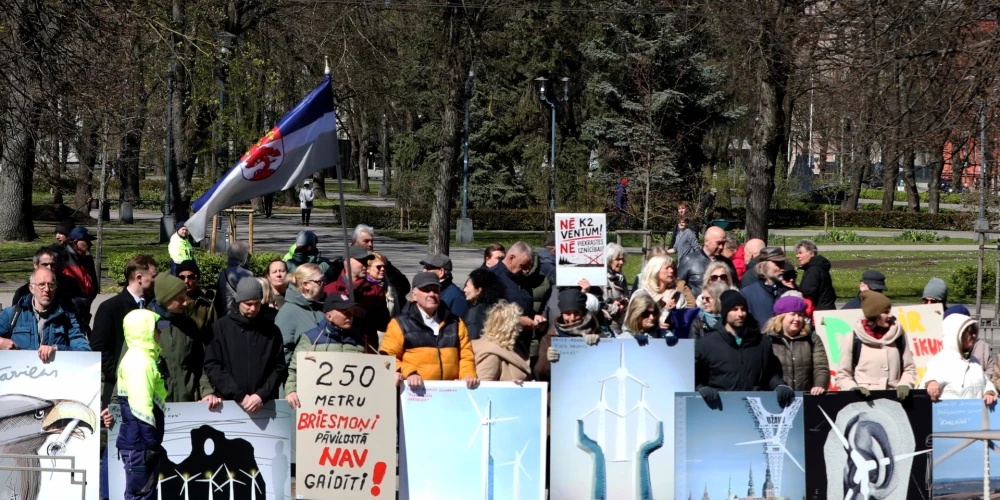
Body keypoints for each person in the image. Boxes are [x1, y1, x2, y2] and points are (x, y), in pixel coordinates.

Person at [694, 291, 794, 407]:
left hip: (756, 407)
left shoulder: (762, 342)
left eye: (743, 309)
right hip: (720, 408)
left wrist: (779, 385)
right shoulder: (706, 344)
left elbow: (771, 372)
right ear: (725, 312)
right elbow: (695, 376)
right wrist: (701, 388)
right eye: (735, 309)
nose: (740, 313)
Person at [380, 272, 479, 388]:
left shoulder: (455, 322)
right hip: (415, 394)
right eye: (426, 290)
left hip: (451, 394)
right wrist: (409, 373)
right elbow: (387, 359)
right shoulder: (399, 324)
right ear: (414, 295)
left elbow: (466, 355)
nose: (432, 294)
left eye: (435, 290)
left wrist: (467, 375)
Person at [205, 277, 288, 413]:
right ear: (238, 301)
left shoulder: (272, 330)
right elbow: (213, 366)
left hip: (264, 404)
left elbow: (278, 367)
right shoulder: (220, 328)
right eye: (248, 304)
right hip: (229, 405)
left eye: (257, 303)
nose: (253, 308)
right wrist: (240, 396)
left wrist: (261, 395)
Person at [115, 309, 168, 500]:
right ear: (145, 331)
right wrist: (152, 445)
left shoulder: (140, 358)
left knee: (139, 493)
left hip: (137, 442)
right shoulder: (141, 362)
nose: (160, 333)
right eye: (156, 329)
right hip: (140, 445)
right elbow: (141, 408)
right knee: (141, 495)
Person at [93, 255, 158, 408]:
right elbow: (99, 348)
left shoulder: (155, 306)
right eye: (154, 276)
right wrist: (120, 375)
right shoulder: (110, 308)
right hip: (120, 390)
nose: (156, 280)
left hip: (153, 388)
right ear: (139, 277)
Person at [285, 293, 368, 408]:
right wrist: (291, 390)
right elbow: (294, 369)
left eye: (351, 311)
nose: (350, 315)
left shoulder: (359, 340)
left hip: (351, 408)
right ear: (329, 316)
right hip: (319, 409)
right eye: (345, 312)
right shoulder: (311, 339)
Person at [149, 274, 217, 406]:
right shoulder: (143, 324)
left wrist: (207, 391)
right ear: (166, 299)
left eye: (184, 298)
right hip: (153, 407)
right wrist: (115, 403)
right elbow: (125, 370)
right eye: (179, 299)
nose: (185, 303)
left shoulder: (189, 326)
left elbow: (200, 364)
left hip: (185, 405)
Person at [834, 291, 916, 397]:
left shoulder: (898, 336)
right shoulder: (853, 338)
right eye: (886, 312)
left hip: (895, 400)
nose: (890, 315)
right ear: (874, 315)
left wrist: (905, 384)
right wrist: (853, 389)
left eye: (889, 311)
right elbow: (842, 375)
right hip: (865, 402)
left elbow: (909, 368)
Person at [0, 267, 90, 357]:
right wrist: (1, 342)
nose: (47, 289)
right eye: (42, 284)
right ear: (31, 288)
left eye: (51, 285)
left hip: (53, 370)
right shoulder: (12, 314)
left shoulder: (67, 317)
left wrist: (56, 349)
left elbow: (84, 351)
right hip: (20, 370)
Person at [921, 313, 997, 404]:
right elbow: (923, 388)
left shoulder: (974, 361)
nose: (974, 336)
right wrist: (930, 383)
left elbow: (986, 382)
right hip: (948, 416)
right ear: (955, 334)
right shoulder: (939, 361)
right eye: (969, 331)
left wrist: (990, 392)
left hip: (975, 416)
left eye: (975, 332)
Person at [533, 289, 605, 382]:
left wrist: (599, 345)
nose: (572, 318)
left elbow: (608, 367)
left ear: (583, 313)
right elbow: (540, 375)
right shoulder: (550, 338)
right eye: (567, 314)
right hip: (560, 390)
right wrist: (547, 360)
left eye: (576, 313)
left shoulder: (598, 334)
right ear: (561, 314)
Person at [762, 296, 829, 395]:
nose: (797, 319)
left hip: (806, 397)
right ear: (781, 317)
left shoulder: (812, 339)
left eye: (800, 315)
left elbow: (821, 366)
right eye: (792, 314)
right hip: (774, 397)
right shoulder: (767, 339)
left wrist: (820, 385)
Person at [13, 245, 88, 321]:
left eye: (52, 265)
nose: (49, 268)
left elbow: (84, 303)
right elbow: (15, 318)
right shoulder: (23, 292)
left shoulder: (69, 283)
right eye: (45, 265)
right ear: (35, 265)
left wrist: (67, 303)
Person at [276, 263, 326, 364]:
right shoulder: (288, 312)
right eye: (319, 281)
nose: (324, 284)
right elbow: (282, 352)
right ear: (306, 284)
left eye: (324, 280)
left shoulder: (324, 307)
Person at [472, 301, 532, 382]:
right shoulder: (490, 355)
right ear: (510, 326)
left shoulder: (517, 347)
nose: (520, 327)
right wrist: (507, 388)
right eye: (517, 323)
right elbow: (483, 390)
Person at [351, 224, 411, 299]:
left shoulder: (380, 260)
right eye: (366, 241)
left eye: (372, 241)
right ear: (354, 242)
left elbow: (403, 284)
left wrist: (390, 297)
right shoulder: (342, 264)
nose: (370, 244)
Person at [677, 226, 736, 299]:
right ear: (706, 241)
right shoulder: (689, 260)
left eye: (723, 243)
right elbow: (678, 286)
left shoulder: (727, 263)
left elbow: (735, 286)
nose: (721, 247)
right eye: (718, 243)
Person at [741, 247, 790, 326]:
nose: (782, 269)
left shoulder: (788, 293)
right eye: (778, 264)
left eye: (783, 264)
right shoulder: (747, 293)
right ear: (763, 265)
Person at [463, 268, 506, 341]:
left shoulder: (474, 314)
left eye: (467, 286)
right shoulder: (495, 308)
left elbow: (472, 339)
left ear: (478, 290)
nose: (464, 290)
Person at [422, 253, 469, 318]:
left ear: (441, 272)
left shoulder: (456, 297)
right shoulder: (422, 289)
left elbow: (458, 324)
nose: (424, 271)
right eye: (424, 267)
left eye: (428, 268)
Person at [794, 239, 836, 311]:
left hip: (819, 312)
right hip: (826, 309)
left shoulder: (813, 270)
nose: (797, 256)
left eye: (800, 253)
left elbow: (807, 294)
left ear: (811, 254)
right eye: (797, 253)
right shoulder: (819, 267)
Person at [215, 241, 253, 317]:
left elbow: (218, 300)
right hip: (241, 316)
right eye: (247, 252)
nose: (250, 255)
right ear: (242, 255)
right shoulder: (248, 274)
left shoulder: (222, 274)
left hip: (225, 316)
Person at [64, 226, 98, 304]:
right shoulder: (62, 258)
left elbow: (94, 286)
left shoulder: (87, 259)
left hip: (84, 308)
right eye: (86, 241)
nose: (90, 244)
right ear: (76, 242)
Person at [602, 243, 630, 334]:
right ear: (608, 260)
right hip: (608, 324)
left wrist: (625, 301)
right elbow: (599, 305)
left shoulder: (621, 276)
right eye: (618, 259)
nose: (621, 262)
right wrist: (617, 308)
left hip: (623, 322)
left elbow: (626, 295)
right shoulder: (601, 278)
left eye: (622, 259)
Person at [368, 252, 401, 318]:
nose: (383, 269)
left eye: (384, 266)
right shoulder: (362, 287)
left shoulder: (390, 288)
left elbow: (396, 314)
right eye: (379, 267)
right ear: (367, 268)